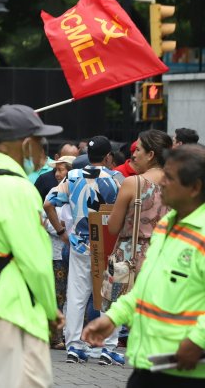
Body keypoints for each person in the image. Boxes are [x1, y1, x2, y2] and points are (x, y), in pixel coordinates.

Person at [82, 144, 205, 386]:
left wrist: (198, 341)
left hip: (188, 371)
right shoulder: (165, 226)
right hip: (148, 365)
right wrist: (113, 318)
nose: (162, 183)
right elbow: (145, 288)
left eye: (170, 178)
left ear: (195, 188)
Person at [0, 105, 63, 388]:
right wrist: (50, 309)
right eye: (40, 142)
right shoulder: (17, 188)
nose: (43, 151)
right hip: (15, 309)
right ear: (26, 143)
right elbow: (35, 261)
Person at [44, 134, 123, 362]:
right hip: (108, 245)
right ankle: (108, 347)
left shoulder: (73, 176)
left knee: (77, 295)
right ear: (108, 156)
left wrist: (61, 231)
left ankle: (74, 346)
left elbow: (48, 204)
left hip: (79, 244)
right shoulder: (115, 178)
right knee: (109, 295)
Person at [100, 129, 173, 360]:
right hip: (163, 254)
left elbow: (113, 227)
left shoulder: (133, 183)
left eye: (138, 149)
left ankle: (115, 350)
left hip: (130, 256)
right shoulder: (176, 183)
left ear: (151, 154)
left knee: (121, 306)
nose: (133, 154)